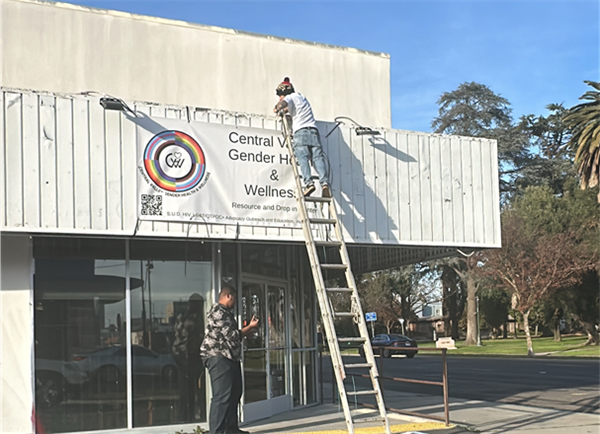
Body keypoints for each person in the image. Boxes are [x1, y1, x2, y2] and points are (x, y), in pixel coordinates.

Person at [200, 284, 259, 434]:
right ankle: (217, 431)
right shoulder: (219, 312)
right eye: (234, 298)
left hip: (230, 357)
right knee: (222, 396)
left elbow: (231, 336)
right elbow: (232, 336)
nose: (235, 301)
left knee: (234, 392)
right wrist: (250, 327)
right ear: (228, 296)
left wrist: (245, 332)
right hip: (218, 357)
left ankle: (231, 428)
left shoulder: (226, 312)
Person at [274, 77, 331, 198]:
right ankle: (324, 183)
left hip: (301, 132)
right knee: (317, 159)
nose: (280, 98)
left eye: (280, 95)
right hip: (314, 131)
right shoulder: (302, 97)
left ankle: (309, 183)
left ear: (284, 93)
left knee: (303, 158)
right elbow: (292, 109)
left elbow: (283, 104)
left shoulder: (290, 97)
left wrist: (277, 108)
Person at [172, 293, 204, 422]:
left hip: (180, 354)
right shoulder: (194, 318)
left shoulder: (181, 316)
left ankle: (184, 416)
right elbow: (196, 337)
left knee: (186, 388)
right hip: (189, 354)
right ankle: (189, 416)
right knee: (192, 389)